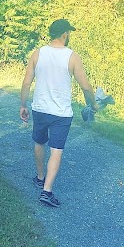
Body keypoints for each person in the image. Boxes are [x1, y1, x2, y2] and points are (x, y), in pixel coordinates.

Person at [20, 18, 98, 208]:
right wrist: (93, 104)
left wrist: (23, 104)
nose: (69, 35)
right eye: (69, 33)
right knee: (56, 150)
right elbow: (86, 86)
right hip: (61, 113)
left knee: (39, 142)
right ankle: (47, 191)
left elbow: (26, 82)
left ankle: (40, 178)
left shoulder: (37, 53)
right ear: (64, 34)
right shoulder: (72, 56)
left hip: (40, 108)